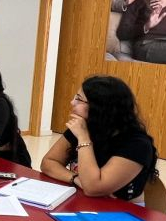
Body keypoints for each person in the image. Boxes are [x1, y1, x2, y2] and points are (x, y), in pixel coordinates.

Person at [41, 76, 157, 205]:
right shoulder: (86, 126)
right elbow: (48, 163)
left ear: (101, 107)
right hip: (83, 202)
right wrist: (75, 178)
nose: (72, 102)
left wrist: (83, 138)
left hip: (123, 212)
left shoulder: (137, 144)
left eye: (79, 99)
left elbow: (93, 188)